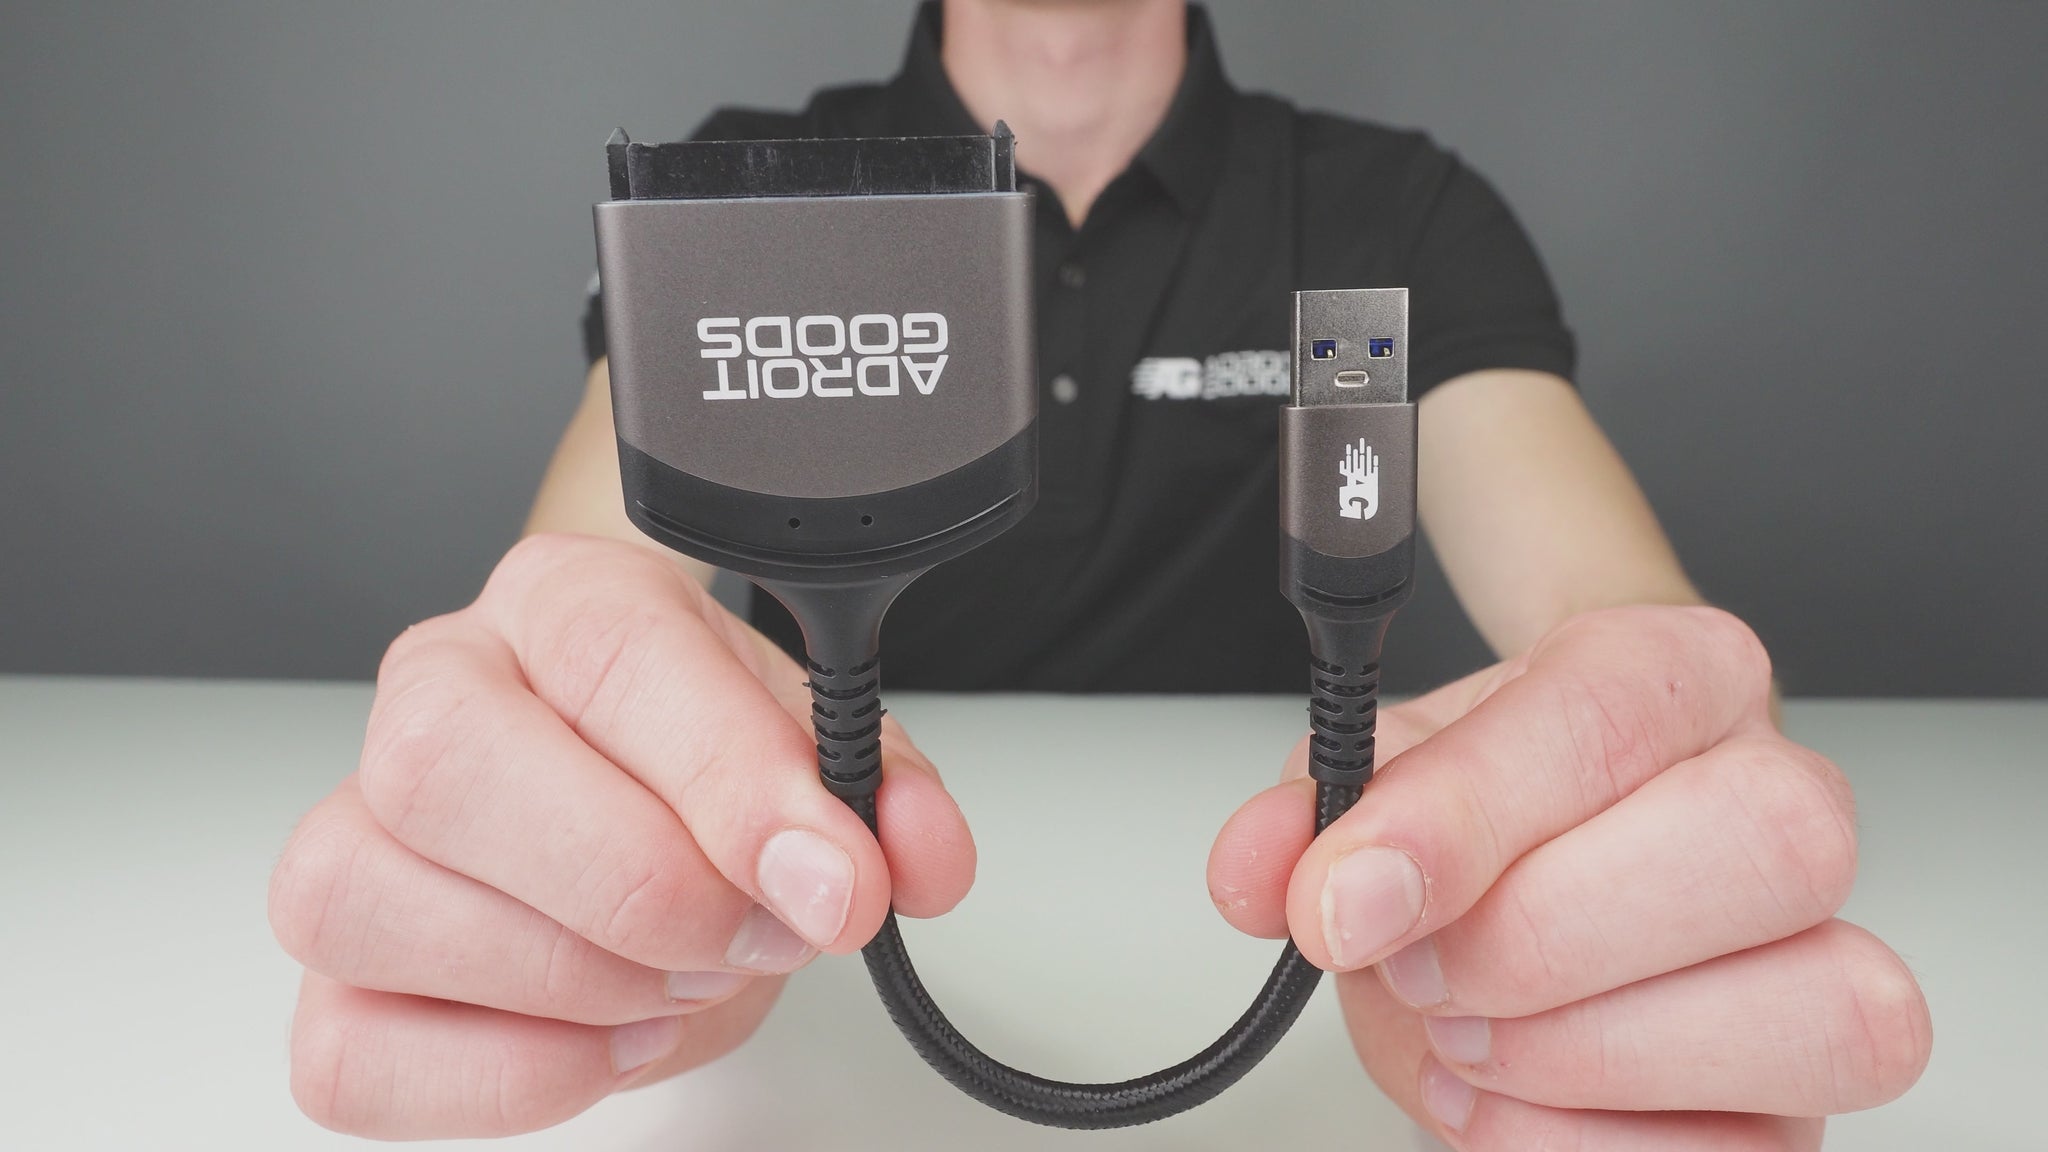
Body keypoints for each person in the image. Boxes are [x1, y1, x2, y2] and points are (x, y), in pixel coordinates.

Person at [268, 2, 1931, 1147]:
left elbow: (1627, 643)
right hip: (810, 1010)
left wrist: (1645, 806)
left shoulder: (1391, 216)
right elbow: (577, 619)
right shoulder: (741, 194)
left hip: (1293, 951)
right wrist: (584, 841)